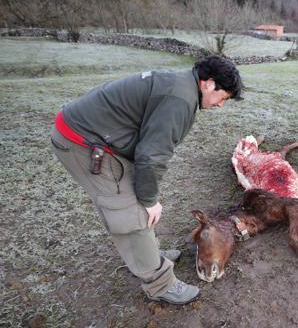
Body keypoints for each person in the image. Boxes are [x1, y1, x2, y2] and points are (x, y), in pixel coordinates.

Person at [50, 56, 243, 305]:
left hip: (97, 137)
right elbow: (151, 156)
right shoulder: (179, 100)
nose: (221, 105)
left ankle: (149, 255)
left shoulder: (181, 84)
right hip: (82, 143)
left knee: (135, 202)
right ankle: (161, 285)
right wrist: (150, 200)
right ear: (208, 84)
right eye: (223, 97)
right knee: (129, 213)